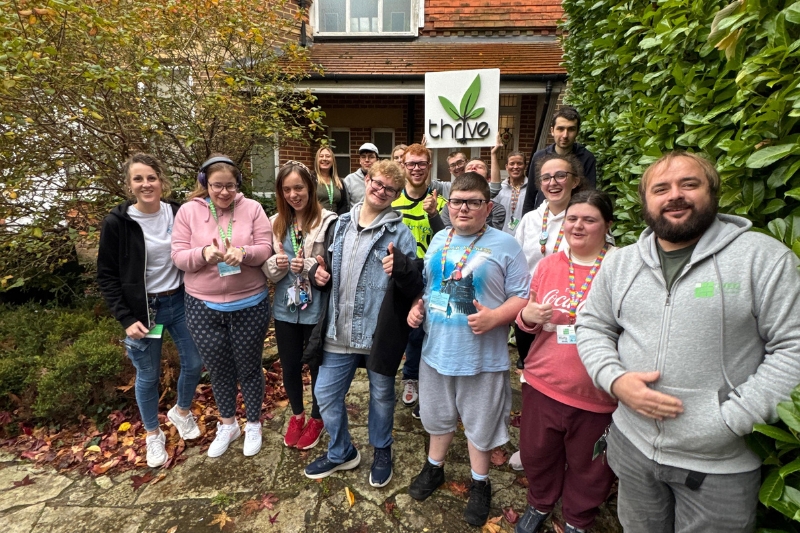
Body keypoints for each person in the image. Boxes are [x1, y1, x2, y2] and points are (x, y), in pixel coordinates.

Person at [578, 151, 800, 533]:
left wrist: (731, 419)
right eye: (660, 188)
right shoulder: (621, 263)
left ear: (713, 192)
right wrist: (614, 380)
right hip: (632, 446)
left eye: (689, 184)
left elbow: (793, 347)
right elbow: (593, 325)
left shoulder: (762, 259)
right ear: (645, 201)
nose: (674, 196)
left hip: (718, 463)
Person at [407, 172, 530, 526]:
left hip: (482, 357)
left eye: (473, 202)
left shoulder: (506, 244)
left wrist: (495, 319)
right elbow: (430, 288)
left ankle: (480, 483)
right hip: (436, 352)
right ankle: (434, 469)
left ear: (487, 207)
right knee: (437, 417)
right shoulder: (439, 239)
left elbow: (522, 295)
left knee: (480, 424)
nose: (463, 208)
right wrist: (418, 307)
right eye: (457, 201)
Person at [304, 160, 420, 489]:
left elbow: (414, 284)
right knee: (325, 393)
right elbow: (321, 266)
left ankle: (382, 449)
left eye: (390, 189)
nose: (381, 191)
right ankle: (342, 451)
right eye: (377, 183)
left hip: (377, 332)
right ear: (366, 180)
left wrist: (402, 267)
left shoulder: (400, 233)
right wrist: (317, 274)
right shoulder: (339, 225)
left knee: (382, 396)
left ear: (397, 195)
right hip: (338, 329)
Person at [514, 190, 617, 533]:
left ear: (607, 225)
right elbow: (528, 321)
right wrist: (526, 316)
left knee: (590, 466)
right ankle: (540, 502)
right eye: (572, 218)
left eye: (589, 219)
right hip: (544, 382)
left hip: (597, 394)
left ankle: (577, 518)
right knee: (535, 453)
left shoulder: (622, 267)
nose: (578, 226)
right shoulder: (549, 264)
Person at [97, 153, 203, 468]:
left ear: (161, 181)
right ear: (130, 185)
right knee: (149, 374)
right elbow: (107, 275)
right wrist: (126, 319)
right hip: (146, 311)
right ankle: (153, 434)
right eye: (139, 179)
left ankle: (181, 411)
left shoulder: (177, 212)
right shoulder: (118, 223)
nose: (146, 184)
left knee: (195, 361)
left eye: (151, 178)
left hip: (180, 301)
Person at [171, 155, 273, 458]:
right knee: (218, 369)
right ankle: (228, 424)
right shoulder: (188, 212)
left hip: (250, 302)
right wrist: (202, 253)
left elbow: (265, 248)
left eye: (230, 186)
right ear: (205, 184)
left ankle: (253, 422)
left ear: (238, 184)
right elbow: (178, 256)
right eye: (217, 186)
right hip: (203, 305)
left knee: (250, 368)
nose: (224, 192)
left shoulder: (252, 208)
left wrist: (243, 253)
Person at [263, 161, 337, 451]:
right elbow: (267, 270)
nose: (294, 194)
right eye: (287, 189)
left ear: (310, 188)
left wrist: (306, 266)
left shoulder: (329, 221)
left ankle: (318, 417)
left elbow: (331, 265)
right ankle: (297, 415)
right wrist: (276, 264)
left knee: (316, 365)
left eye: (299, 187)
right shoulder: (275, 222)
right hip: (285, 306)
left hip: (315, 307)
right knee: (290, 365)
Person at [512, 153, 584, 371]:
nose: (552, 183)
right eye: (546, 178)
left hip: (569, 313)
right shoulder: (530, 220)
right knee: (529, 367)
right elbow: (516, 264)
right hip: (530, 312)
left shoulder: (586, 219)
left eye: (560, 176)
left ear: (575, 181)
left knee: (566, 370)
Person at [393, 143, 447, 410]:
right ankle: (398, 374)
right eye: (411, 164)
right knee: (396, 328)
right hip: (398, 276)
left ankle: (414, 377)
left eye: (421, 164)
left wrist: (434, 214)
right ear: (403, 166)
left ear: (428, 167)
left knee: (422, 332)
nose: (416, 169)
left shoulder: (441, 202)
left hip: (429, 276)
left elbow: (449, 241)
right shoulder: (392, 201)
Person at [523, 106, 596, 214]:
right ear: (552, 131)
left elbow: (590, 195)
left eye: (571, 129)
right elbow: (530, 195)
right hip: (543, 217)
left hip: (573, 217)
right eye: (560, 129)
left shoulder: (586, 158)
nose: (565, 135)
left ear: (577, 132)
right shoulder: (539, 157)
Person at [440, 159, 506, 230]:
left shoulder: (498, 209)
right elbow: (446, 233)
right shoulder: (451, 206)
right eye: (469, 167)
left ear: (488, 178)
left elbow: (491, 235)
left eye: (480, 167)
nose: (473, 168)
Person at [490, 134, 528, 235]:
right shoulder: (500, 188)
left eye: (519, 163)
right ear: (506, 167)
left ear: (525, 166)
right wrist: (493, 154)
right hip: (501, 236)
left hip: (524, 237)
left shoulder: (531, 189)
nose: (515, 167)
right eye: (512, 164)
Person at [313, 146, 349, 215]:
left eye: (328, 156)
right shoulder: (311, 179)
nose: (324, 159)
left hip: (335, 221)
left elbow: (344, 204)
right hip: (316, 220)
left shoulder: (339, 181)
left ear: (333, 160)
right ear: (317, 160)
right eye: (321, 156)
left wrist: (338, 220)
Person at [343, 142, 380, 208]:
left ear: (377, 160)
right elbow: (345, 206)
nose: (367, 160)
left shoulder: (382, 180)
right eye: (363, 157)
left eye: (371, 157)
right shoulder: (349, 180)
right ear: (360, 160)